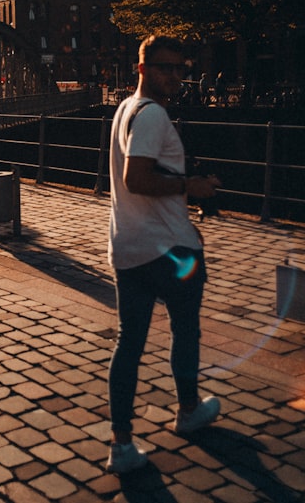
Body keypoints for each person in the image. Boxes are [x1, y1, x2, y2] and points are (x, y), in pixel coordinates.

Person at [105, 35, 222, 474]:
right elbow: (138, 178)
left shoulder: (125, 109)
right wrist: (191, 187)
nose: (174, 75)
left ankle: (121, 443)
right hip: (171, 251)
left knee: (129, 343)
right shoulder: (153, 116)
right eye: (164, 67)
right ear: (142, 68)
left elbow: (138, 179)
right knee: (185, 328)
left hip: (129, 247)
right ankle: (188, 410)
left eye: (180, 68)